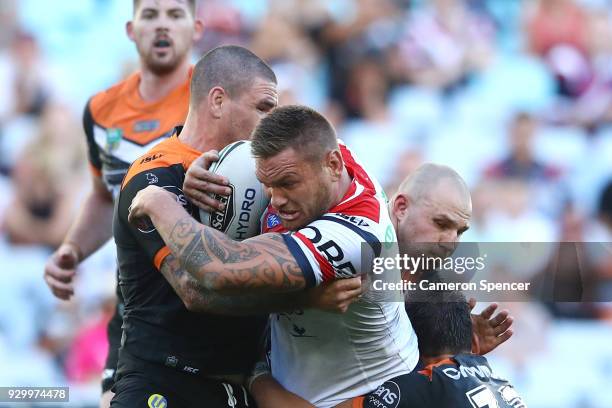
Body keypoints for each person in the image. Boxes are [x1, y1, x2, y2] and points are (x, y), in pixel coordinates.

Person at [128, 104, 419, 407]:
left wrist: (158, 202)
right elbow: (282, 128)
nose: (277, 200)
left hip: (363, 394)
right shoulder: (322, 152)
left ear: (333, 166)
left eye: (287, 184)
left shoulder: (355, 237)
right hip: (298, 376)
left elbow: (214, 274)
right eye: (268, 185)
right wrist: (212, 169)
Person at [42, 0, 203, 405]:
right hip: (134, 302)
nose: (162, 25)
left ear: (196, 28)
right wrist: (72, 248)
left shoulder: (215, 98)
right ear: (131, 30)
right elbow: (103, 196)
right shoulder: (101, 111)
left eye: (174, 14)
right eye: (150, 15)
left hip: (205, 299)